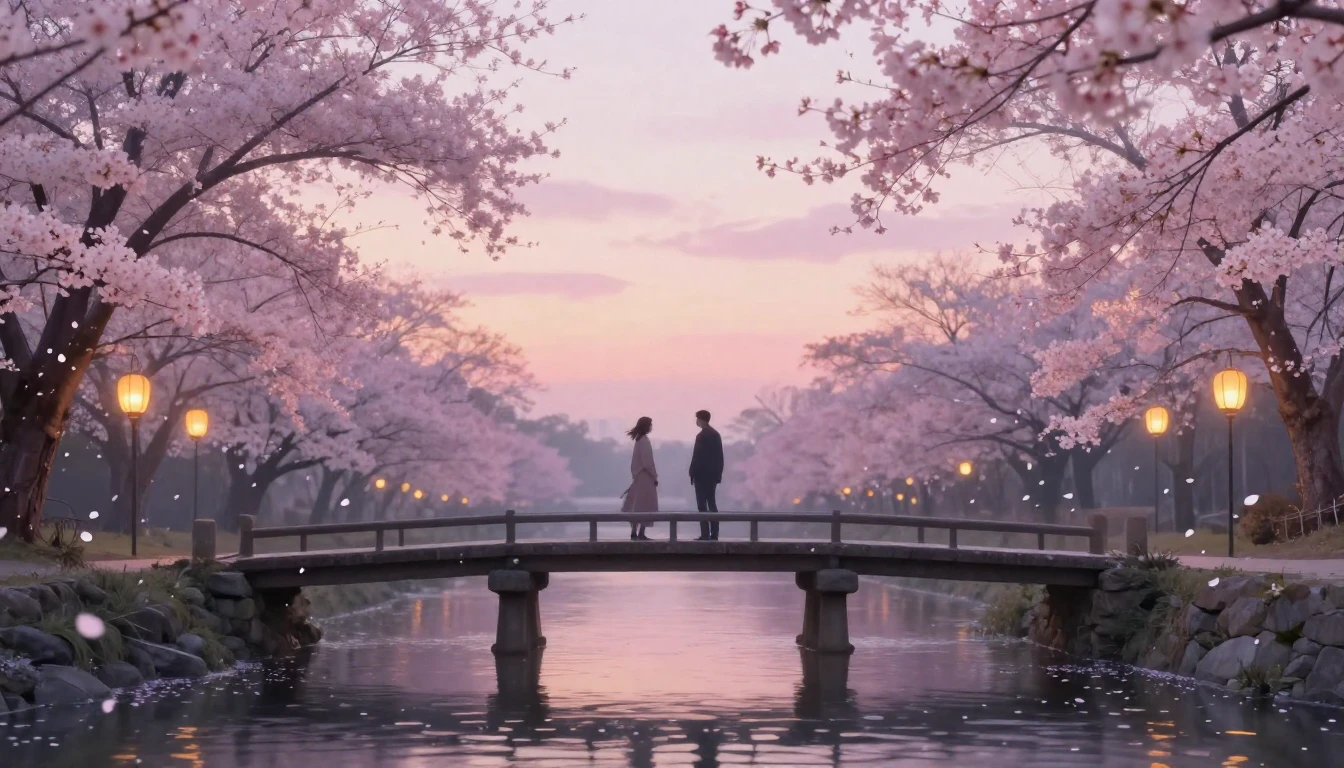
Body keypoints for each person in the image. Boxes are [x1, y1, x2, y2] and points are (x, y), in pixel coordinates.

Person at [620, 416, 658, 540]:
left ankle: (633, 531)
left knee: (636, 505)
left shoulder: (638, 440)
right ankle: (641, 532)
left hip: (638, 476)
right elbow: (647, 462)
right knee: (645, 505)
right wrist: (654, 475)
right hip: (645, 477)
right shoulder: (644, 441)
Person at [689, 409, 724, 541]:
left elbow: (697, 456)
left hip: (701, 475)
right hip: (712, 476)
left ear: (702, 420)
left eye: (697, 418)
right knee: (712, 504)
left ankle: (705, 534)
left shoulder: (702, 436)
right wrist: (718, 475)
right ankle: (714, 534)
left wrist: (692, 472)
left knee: (702, 505)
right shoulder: (716, 435)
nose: (696, 421)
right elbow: (719, 457)